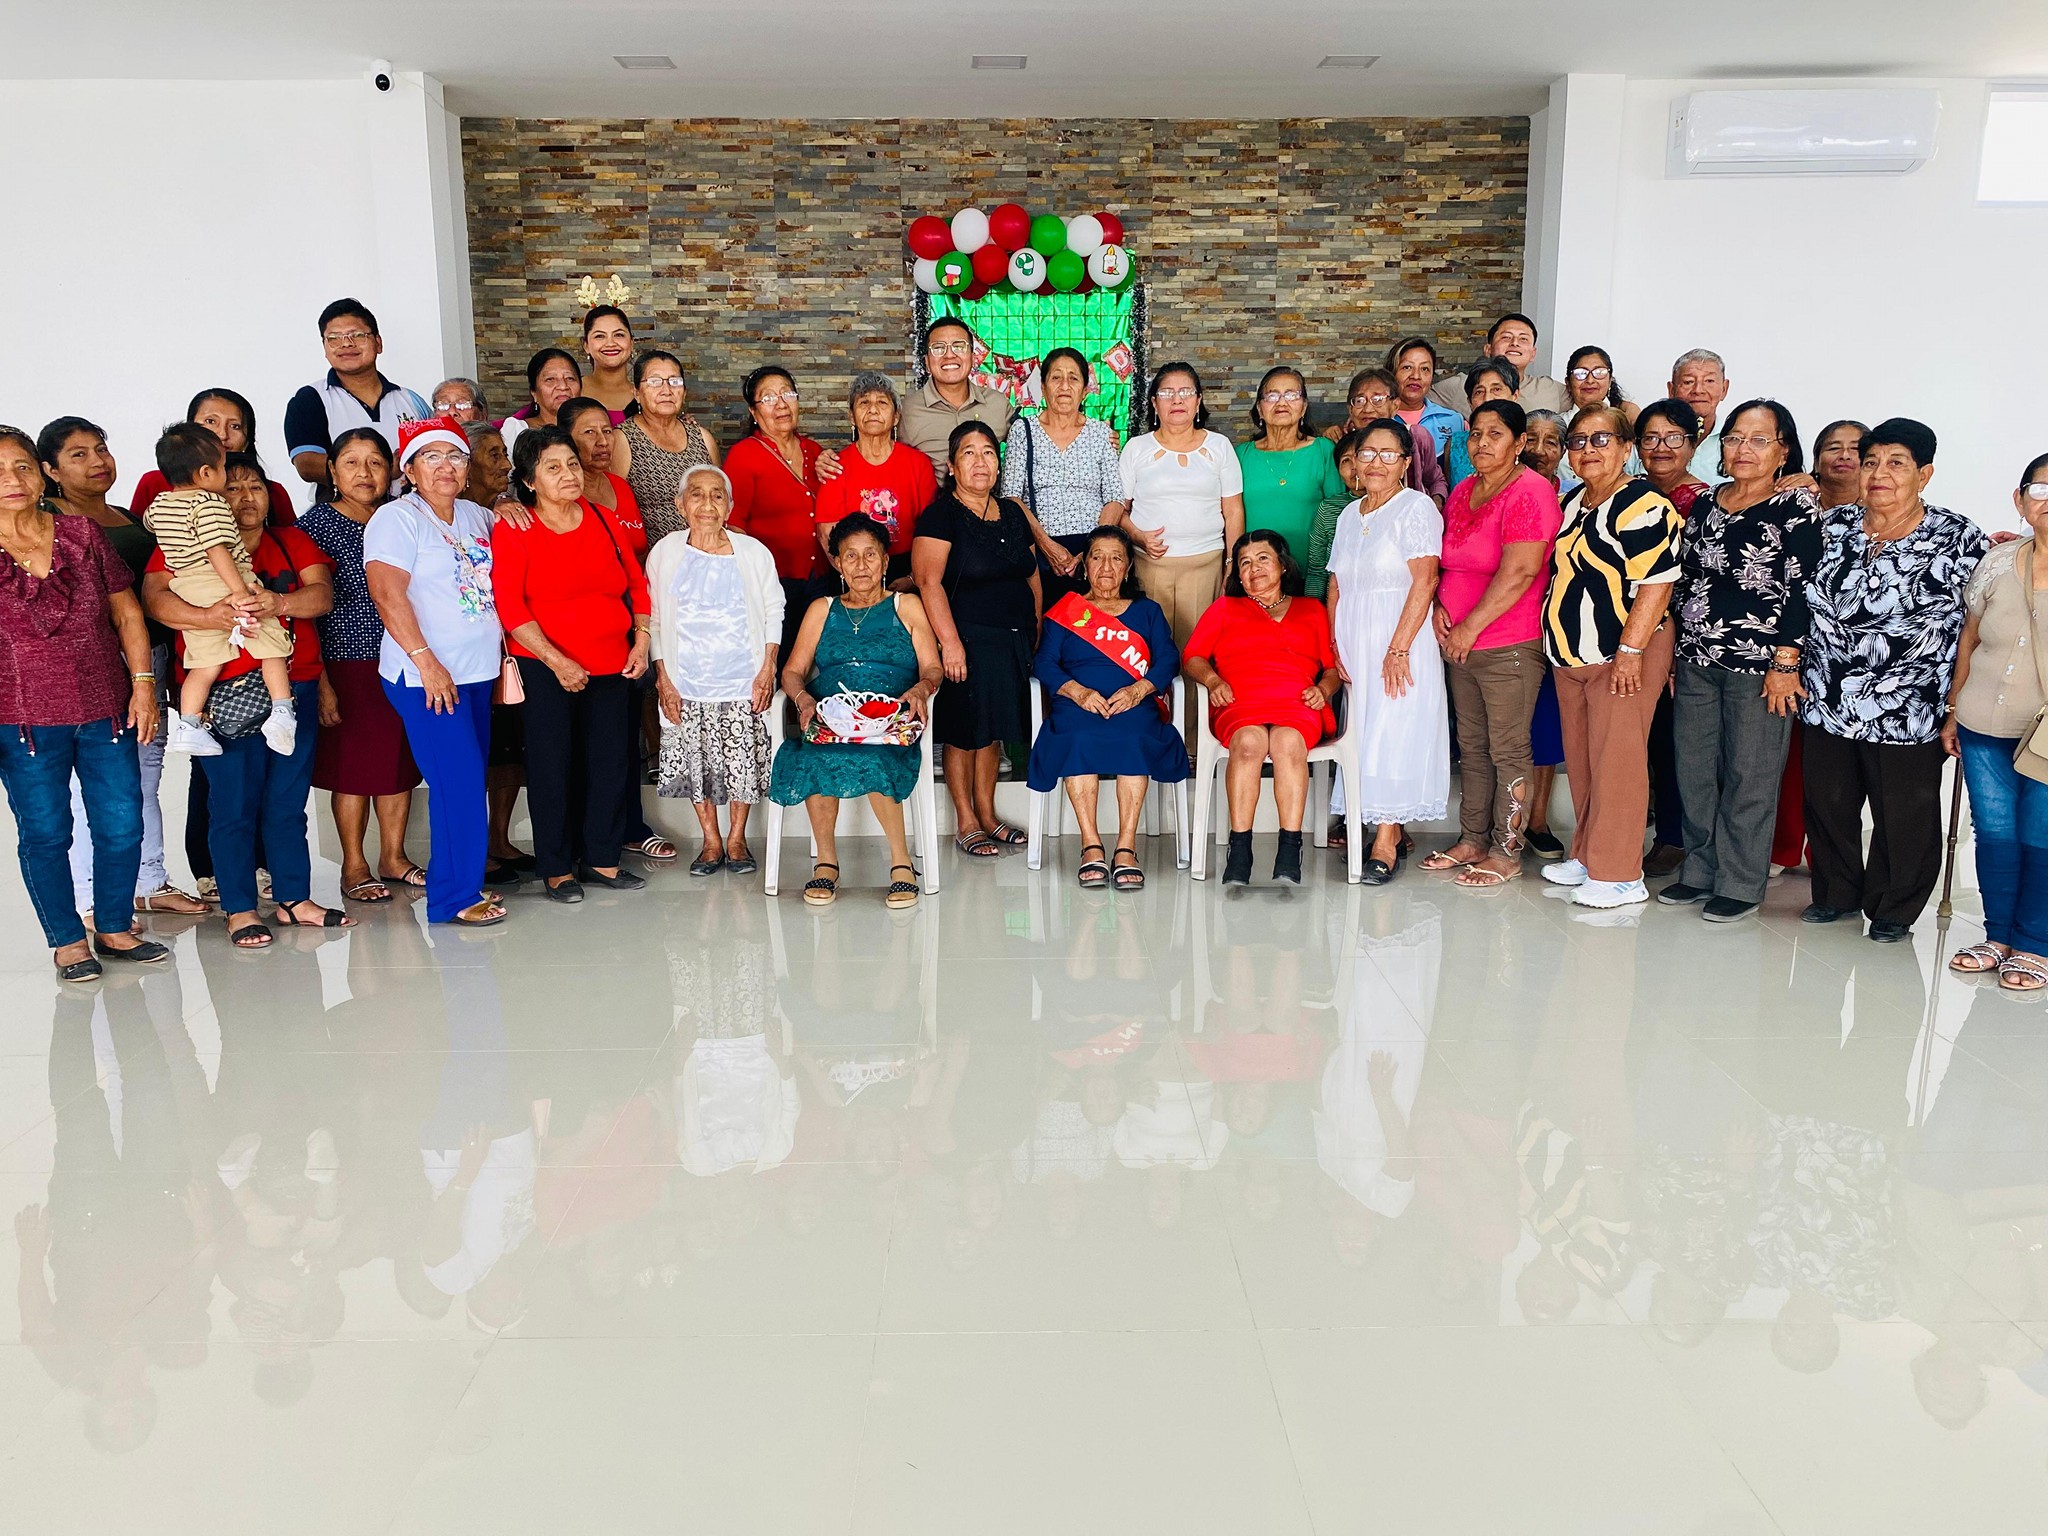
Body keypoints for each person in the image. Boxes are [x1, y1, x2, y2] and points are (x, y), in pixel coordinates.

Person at [145, 451, 346, 947]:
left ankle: (294, 898)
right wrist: (209, 616)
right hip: (223, 692)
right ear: (211, 495)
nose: (245, 497)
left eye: (255, 486)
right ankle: (239, 908)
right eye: (232, 488)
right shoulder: (185, 546)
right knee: (232, 804)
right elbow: (155, 599)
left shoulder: (291, 541)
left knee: (287, 801)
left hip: (293, 687)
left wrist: (279, 602)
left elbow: (321, 596)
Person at [1798, 419, 1987, 941]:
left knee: (1904, 813)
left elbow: (1975, 628)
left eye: (1896, 463)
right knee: (1829, 803)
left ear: (1924, 474)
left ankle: (1894, 907)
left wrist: (1956, 705)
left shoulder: (1957, 537)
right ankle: (1835, 894)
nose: (1879, 473)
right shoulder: (1832, 527)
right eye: (1871, 462)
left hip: (1911, 705)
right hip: (1828, 694)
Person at [0, 423, 166, 981]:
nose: (12, 479)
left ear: (41, 473)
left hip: (107, 709)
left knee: (121, 823)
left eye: (22, 466)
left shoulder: (81, 533)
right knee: (46, 832)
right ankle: (68, 941)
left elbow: (127, 613)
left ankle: (114, 927)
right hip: (21, 721)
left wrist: (143, 684)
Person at [1659, 401, 1825, 924]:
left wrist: (1786, 663)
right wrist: (1673, 651)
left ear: (1782, 450)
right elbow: (1685, 579)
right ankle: (1699, 870)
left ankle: (1740, 881)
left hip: (1762, 666)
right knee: (1694, 769)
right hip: (1696, 656)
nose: (1743, 449)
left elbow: (1803, 588)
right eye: (1734, 438)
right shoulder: (1707, 503)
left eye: (1759, 439)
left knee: (1749, 774)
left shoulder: (1796, 507)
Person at [38, 416, 208, 918]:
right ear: (50, 470)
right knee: (88, 782)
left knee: (144, 772)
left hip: (147, 658)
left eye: (101, 449)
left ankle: (149, 880)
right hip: (88, 665)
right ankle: (91, 896)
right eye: (78, 454)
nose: (97, 461)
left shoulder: (130, 519)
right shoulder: (48, 521)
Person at [491, 425, 652, 903]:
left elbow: (636, 584)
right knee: (552, 766)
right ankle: (557, 867)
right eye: (553, 467)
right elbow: (510, 606)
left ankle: (602, 858)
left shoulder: (603, 519)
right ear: (529, 480)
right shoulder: (515, 528)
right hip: (544, 666)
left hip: (612, 662)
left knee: (610, 762)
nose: (568, 475)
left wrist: (642, 639)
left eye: (572, 464)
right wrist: (557, 660)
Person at [1534, 408, 1683, 909]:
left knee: (1618, 762)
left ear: (1626, 447)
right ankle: (1588, 853)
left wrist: (1631, 650)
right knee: (1583, 761)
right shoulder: (1573, 501)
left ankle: (1620, 874)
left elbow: (1658, 582)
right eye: (1578, 440)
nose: (1588, 449)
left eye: (1601, 439)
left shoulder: (1642, 503)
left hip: (1622, 653)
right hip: (1571, 655)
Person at [363, 417, 506, 927]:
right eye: (431, 456)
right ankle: (452, 899)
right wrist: (426, 661)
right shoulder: (396, 519)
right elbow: (387, 594)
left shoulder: (474, 514)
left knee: (467, 782)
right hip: (427, 676)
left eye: (456, 456)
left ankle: (462, 879)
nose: (446, 466)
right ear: (409, 469)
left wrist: (507, 506)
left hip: (477, 673)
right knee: (457, 784)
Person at [1420, 400, 1562, 889]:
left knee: (1508, 750)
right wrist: (1441, 606)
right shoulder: (1464, 489)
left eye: (1495, 434)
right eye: (1475, 434)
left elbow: (1520, 571)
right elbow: (1451, 563)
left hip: (1508, 644)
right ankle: (1472, 839)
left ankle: (1507, 851)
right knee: (1473, 748)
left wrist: (1469, 627)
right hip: (1460, 644)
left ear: (1519, 443)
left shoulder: (1530, 491)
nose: (1481, 443)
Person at [771, 514, 943, 907]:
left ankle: (901, 863)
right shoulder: (822, 609)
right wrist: (803, 699)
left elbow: (932, 667)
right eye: (851, 556)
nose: (861, 565)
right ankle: (826, 862)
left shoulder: (905, 604)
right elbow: (793, 672)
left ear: (885, 562)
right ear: (838, 563)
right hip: (832, 717)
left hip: (890, 719)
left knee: (876, 757)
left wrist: (921, 688)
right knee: (813, 756)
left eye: (870, 555)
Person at [298, 428, 423, 903]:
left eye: (375, 462)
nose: (365, 473)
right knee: (352, 768)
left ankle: (394, 856)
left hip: (406, 656)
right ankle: (354, 864)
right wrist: (322, 681)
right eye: (351, 462)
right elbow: (306, 615)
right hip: (347, 663)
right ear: (332, 470)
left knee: (396, 762)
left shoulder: (404, 516)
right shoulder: (315, 527)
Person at [1027, 525, 1187, 889]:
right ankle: (1091, 845)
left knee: (1134, 736)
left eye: (1116, 558)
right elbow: (1045, 662)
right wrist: (1077, 692)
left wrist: (1139, 690)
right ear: (1085, 565)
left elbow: (1167, 659)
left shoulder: (1147, 611)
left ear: (1128, 567)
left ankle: (1126, 847)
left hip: (1133, 704)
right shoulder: (1067, 611)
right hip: (1077, 705)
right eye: (1097, 557)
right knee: (1078, 737)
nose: (1106, 567)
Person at [1322, 419, 1447, 884]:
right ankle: (1375, 823)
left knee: (1395, 732)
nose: (1375, 462)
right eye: (1366, 453)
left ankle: (1386, 841)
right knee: (1365, 734)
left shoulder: (1416, 507)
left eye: (1387, 454)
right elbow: (1336, 584)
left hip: (1400, 640)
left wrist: (1398, 649)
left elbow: (1425, 580)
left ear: (1405, 462)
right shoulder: (1348, 515)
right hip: (1357, 642)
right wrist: (1334, 643)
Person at [1942, 453, 2048, 988]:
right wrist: (1954, 709)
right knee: (1995, 832)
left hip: (2045, 732)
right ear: (2020, 500)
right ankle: (1997, 935)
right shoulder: (1998, 561)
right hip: (1984, 719)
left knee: (2041, 833)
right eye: (2041, 490)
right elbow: (1969, 638)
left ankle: (2035, 944)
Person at [1181, 530, 1339, 887]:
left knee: (1287, 742)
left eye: (1263, 559)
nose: (1254, 569)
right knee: (1249, 743)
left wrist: (1323, 690)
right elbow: (1192, 657)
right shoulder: (1224, 608)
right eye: (1245, 563)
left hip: (1297, 703)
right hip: (1239, 702)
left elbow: (1331, 670)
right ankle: (1240, 849)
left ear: (1283, 565)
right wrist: (1213, 681)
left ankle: (1290, 849)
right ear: (1237, 574)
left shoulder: (1311, 610)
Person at [646, 463, 782, 875]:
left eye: (717, 495)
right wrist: (663, 678)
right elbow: (653, 619)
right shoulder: (665, 551)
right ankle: (710, 841)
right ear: (680, 505)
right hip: (686, 681)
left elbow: (774, 610)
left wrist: (768, 667)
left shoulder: (753, 553)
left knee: (742, 762)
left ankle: (737, 840)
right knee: (696, 763)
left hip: (742, 678)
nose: (707, 504)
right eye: (697, 494)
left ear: (729, 506)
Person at [914, 421, 1043, 857]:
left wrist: (1035, 624)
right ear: (952, 466)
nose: (980, 461)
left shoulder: (1011, 513)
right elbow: (928, 581)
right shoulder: (941, 515)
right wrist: (949, 643)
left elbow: (1031, 573)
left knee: (992, 732)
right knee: (965, 731)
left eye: (988, 452)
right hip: (966, 640)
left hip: (1011, 639)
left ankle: (988, 815)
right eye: (968, 453)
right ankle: (966, 821)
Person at [141, 423, 296, 758]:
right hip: (218, 579)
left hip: (187, 586)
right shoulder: (209, 503)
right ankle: (282, 711)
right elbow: (216, 549)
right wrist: (239, 591)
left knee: (206, 662)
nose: (225, 476)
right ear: (206, 473)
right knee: (270, 641)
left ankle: (189, 725)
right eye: (224, 468)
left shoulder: (161, 504)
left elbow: (150, 524)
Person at [1769, 418, 1872, 880]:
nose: (1844, 456)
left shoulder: (1886, 513)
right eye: (1833, 447)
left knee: (1841, 769)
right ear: (1815, 458)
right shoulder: (1795, 503)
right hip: (1793, 651)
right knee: (1792, 757)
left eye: (1856, 448)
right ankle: (1784, 846)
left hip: (1854, 662)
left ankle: (1829, 857)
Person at [1633, 399, 1712, 876]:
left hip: (1679, 639)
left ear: (1693, 444)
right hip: (1628, 636)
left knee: (1672, 743)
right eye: (1650, 438)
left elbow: (1699, 580)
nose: (1661, 448)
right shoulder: (1630, 495)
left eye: (1673, 438)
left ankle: (1676, 838)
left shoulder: (1705, 502)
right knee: (1642, 742)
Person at [1115, 362, 1245, 647]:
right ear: (1154, 403)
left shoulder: (1219, 446)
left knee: (1197, 650)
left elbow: (1233, 510)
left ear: (1198, 401)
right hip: (1149, 564)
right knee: (1150, 647)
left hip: (1205, 564)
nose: (1177, 400)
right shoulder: (1136, 448)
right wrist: (1138, 536)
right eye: (1166, 393)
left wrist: (1231, 564)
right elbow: (1118, 509)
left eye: (1186, 392)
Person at [1001, 348, 1128, 595]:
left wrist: (1092, 550)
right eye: (1056, 377)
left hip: (1092, 550)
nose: (1064, 386)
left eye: (1073, 378)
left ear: (1084, 389)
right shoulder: (1023, 430)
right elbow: (1010, 496)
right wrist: (1047, 545)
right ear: (1043, 386)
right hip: (1039, 546)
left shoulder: (1100, 433)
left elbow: (1114, 497)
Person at [284, 299, 432, 498]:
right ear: (325, 347)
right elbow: (306, 465)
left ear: (378, 343)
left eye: (357, 335)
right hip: (341, 513)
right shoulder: (310, 399)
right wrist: (384, 468)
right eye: (334, 338)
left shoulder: (411, 400)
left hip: (410, 512)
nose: (346, 343)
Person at [816, 372, 937, 587]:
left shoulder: (918, 464)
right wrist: (857, 579)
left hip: (906, 569)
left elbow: (930, 530)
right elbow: (827, 535)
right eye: (864, 403)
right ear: (852, 417)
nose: (873, 410)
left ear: (896, 416)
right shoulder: (835, 466)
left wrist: (913, 577)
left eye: (882, 402)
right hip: (852, 572)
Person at [1233, 366, 1346, 573]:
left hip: (1312, 573)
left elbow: (1337, 514)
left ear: (1303, 407)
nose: (1282, 402)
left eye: (1292, 395)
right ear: (1260, 408)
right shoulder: (1242, 455)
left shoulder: (1323, 450)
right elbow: (1230, 515)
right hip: (1255, 576)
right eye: (1272, 395)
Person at [132, 388, 297, 527]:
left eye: (235, 426)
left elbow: (291, 544)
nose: (222, 434)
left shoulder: (273, 492)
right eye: (210, 421)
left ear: (247, 440)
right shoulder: (154, 483)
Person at [614, 350, 719, 545]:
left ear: (684, 392)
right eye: (655, 382)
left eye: (675, 381)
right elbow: (612, 506)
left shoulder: (702, 437)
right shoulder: (622, 439)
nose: (667, 390)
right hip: (652, 555)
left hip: (706, 550)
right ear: (636, 393)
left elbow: (721, 496)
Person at [896, 316, 1017, 473]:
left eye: (959, 347)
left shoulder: (997, 404)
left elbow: (1026, 448)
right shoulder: (907, 410)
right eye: (938, 348)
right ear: (926, 362)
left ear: (973, 358)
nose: (949, 355)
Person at [1322, 367, 1448, 504]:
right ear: (1350, 409)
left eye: (1378, 399)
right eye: (1359, 400)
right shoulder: (1341, 441)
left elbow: (1435, 480)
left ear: (1395, 405)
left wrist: (1436, 504)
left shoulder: (1416, 437)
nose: (1368, 409)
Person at [1431, 314, 1570, 416]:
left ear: (1533, 354)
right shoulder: (1458, 386)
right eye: (1506, 337)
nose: (1514, 343)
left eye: (1523, 339)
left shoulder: (1551, 388)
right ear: (1488, 349)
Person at [1387, 339, 1466, 474]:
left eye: (1425, 369)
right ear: (1391, 373)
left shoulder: (1453, 420)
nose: (1416, 376)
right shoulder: (1379, 418)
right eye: (1407, 367)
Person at [1440, 359, 1521, 488]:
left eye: (1496, 389)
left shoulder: (1526, 442)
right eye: (1479, 392)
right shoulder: (1455, 444)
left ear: (1515, 396)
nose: (1487, 399)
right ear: (1470, 402)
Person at [496, 348, 582, 455]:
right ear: (534, 392)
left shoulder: (594, 429)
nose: (563, 386)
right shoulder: (517, 430)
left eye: (570, 378)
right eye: (550, 379)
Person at [1667, 350, 1732, 484]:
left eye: (1709, 381)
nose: (1698, 390)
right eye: (1688, 382)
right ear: (1671, 390)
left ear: (1724, 389)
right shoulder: (1649, 439)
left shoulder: (1735, 442)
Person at [579, 305, 638, 417]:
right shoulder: (571, 390)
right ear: (586, 345)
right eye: (600, 336)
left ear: (631, 343)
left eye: (619, 335)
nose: (610, 343)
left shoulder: (644, 395)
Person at [1562, 346, 1637, 427]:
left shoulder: (1629, 419)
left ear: (1610, 381)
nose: (1590, 380)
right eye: (1580, 373)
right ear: (1568, 383)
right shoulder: (1558, 424)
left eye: (1599, 372)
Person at [462, 421, 513, 508]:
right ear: (467, 465)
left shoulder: (504, 509)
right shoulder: (451, 513)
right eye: (494, 455)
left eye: (505, 455)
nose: (508, 465)